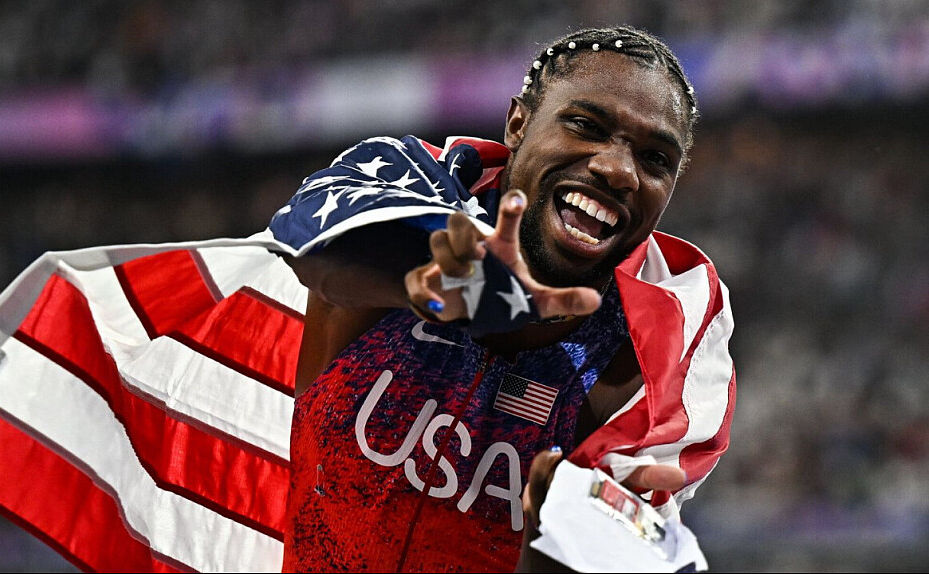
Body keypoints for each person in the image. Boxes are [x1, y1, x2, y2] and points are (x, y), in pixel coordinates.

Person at [267, 25, 736, 573]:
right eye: (586, 125)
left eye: (655, 158)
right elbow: (314, 248)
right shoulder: (407, 180)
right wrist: (435, 277)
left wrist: (562, 552)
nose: (618, 170)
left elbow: (617, 542)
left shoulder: (665, 337)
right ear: (518, 123)